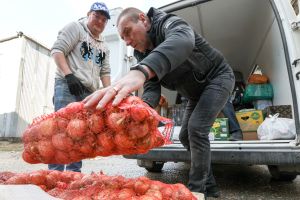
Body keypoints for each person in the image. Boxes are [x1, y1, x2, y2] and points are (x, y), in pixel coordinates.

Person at [83, 7, 235, 198]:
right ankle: (210, 186)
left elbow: (183, 40)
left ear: (144, 20)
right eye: (123, 39)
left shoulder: (168, 24)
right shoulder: (142, 54)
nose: (128, 41)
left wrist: (142, 70)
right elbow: (152, 87)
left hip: (218, 78)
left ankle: (198, 191)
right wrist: (141, 111)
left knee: (196, 130)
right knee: (186, 137)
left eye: (128, 32)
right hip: (195, 94)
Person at [49, 2, 111, 172]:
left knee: (81, 133)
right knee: (62, 130)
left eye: (104, 20)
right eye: (96, 16)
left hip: (89, 93)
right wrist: (69, 75)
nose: (100, 21)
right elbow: (57, 50)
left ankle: (74, 174)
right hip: (68, 85)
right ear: (88, 14)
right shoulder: (75, 28)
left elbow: (104, 71)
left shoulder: (104, 45)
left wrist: (109, 93)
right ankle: (55, 174)